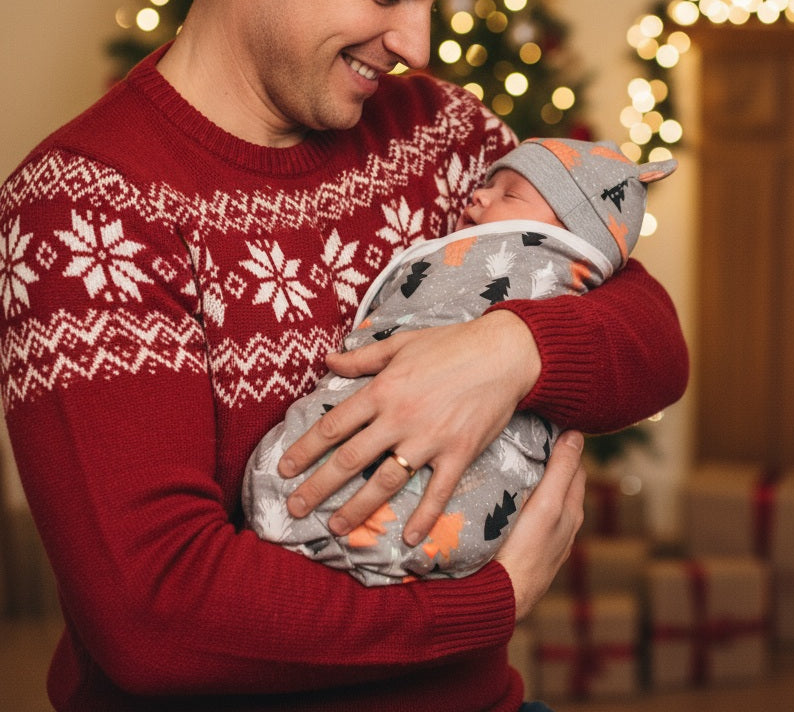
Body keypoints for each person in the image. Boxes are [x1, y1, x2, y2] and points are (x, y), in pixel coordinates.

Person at [0, 0, 688, 711]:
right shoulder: (85, 209)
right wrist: (486, 605)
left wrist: (507, 352)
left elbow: (652, 339)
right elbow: (156, 618)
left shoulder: (437, 132)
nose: (419, 45)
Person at [244, 137, 676, 585]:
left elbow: (661, 343)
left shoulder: (466, 132)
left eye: (510, 194)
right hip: (316, 581)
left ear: (573, 234)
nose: (479, 195)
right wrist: (503, 594)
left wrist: (517, 345)